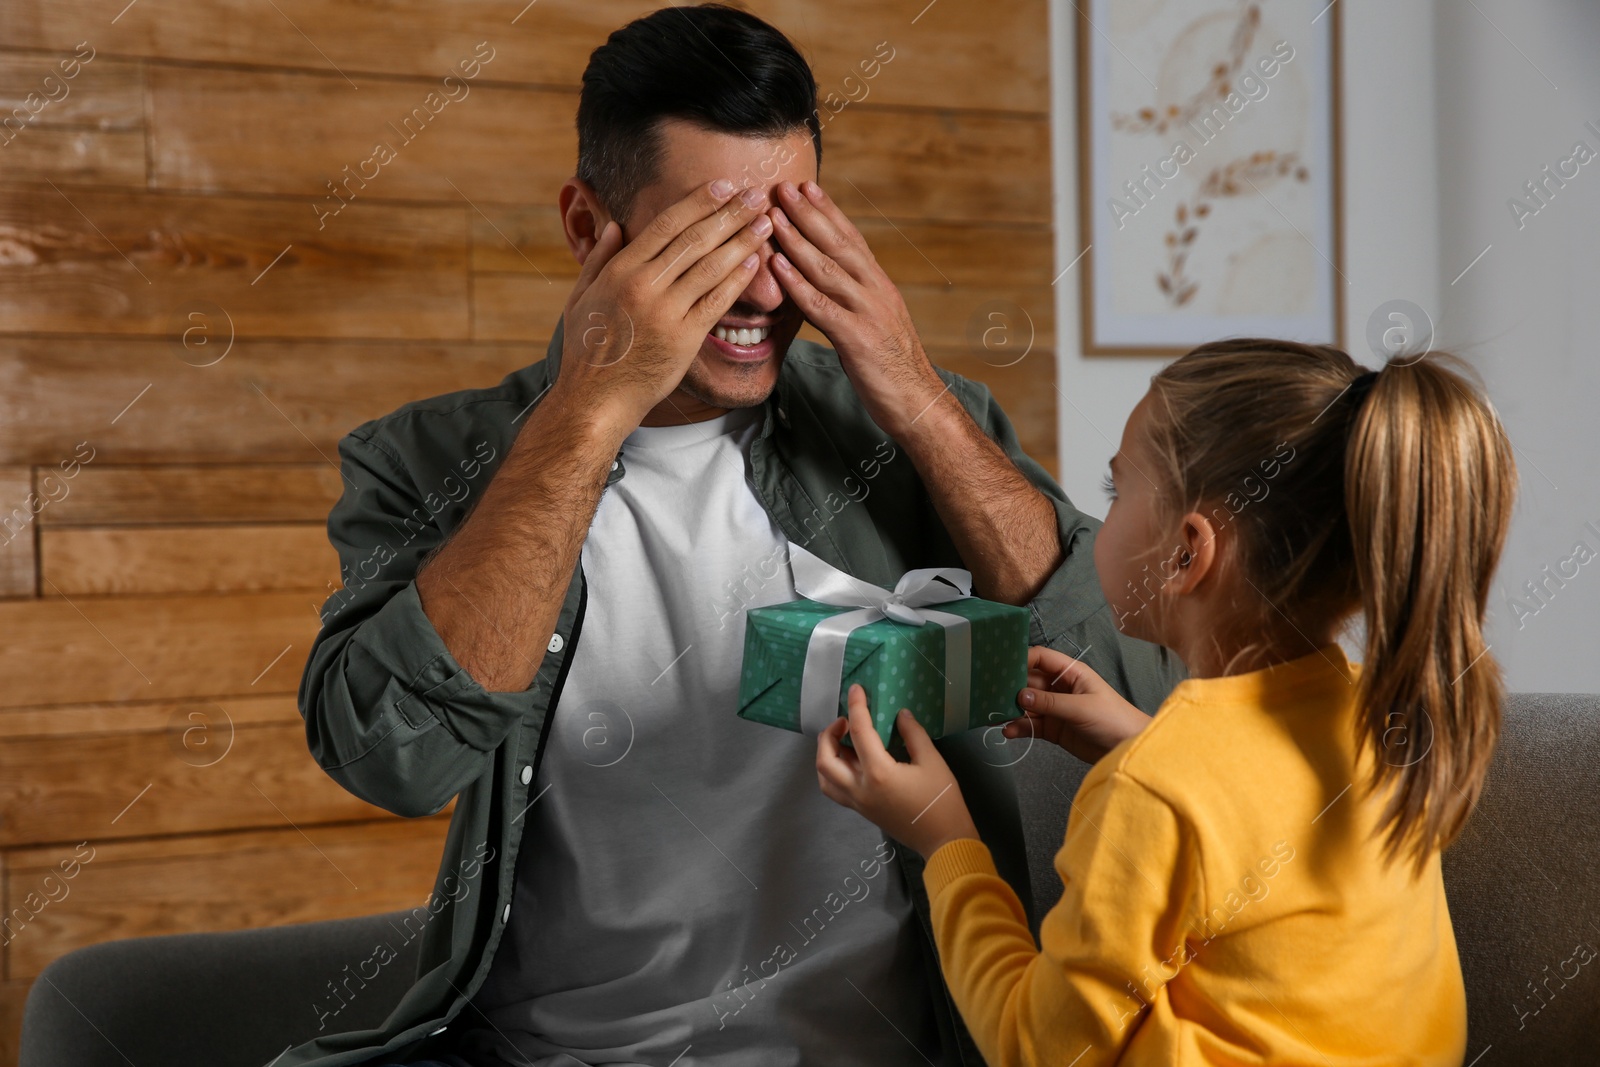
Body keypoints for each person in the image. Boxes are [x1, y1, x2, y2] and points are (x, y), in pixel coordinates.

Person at [290, 5, 1180, 1066]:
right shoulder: (425, 462)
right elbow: (392, 758)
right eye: (711, 240)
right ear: (589, 230)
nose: (763, 288)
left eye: (786, 232)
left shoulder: (912, 431)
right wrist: (586, 411)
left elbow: (1137, 689)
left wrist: (915, 393)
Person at [817, 339, 1516, 1065]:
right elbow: (1253, 831)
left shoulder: (1157, 791)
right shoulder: (1370, 710)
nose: (1096, 517)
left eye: (1116, 491)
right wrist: (1139, 737)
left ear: (1187, 553)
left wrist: (943, 836)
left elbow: (1034, 1047)